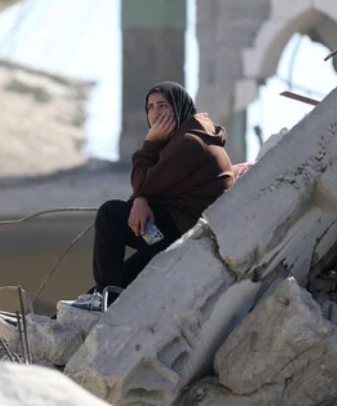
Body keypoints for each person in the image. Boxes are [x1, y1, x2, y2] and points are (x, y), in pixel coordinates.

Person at [62, 81, 235, 312]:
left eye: (163, 106)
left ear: (179, 107)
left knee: (111, 214)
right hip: (170, 236)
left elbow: (143, 183)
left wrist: (150, 142)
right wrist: (140, 199)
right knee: (123, 273)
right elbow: (151, 187)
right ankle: (58, 320)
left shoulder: (189, 142)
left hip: (186, 239)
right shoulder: (183, 139)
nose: (155, 113)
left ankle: (104, 303)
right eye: (151, 107)